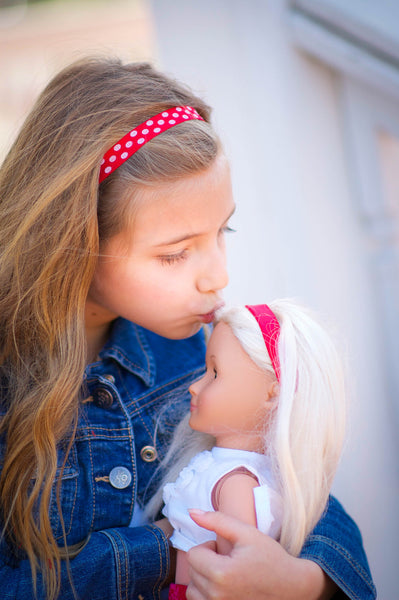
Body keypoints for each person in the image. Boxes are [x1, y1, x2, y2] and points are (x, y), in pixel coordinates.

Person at [0, 57, 376, 600]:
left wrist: (303, 582)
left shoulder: (194, 351)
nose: (219, 276)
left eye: (223, 230)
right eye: (175, 254)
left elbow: (298, 486)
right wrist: (171, 551)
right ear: (72, 241)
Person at [147, 301, 344, 598]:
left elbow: (235, 572)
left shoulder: (235, 483)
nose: (194, 386)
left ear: (271, 395)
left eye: (214, 374)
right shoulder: (231, 471)